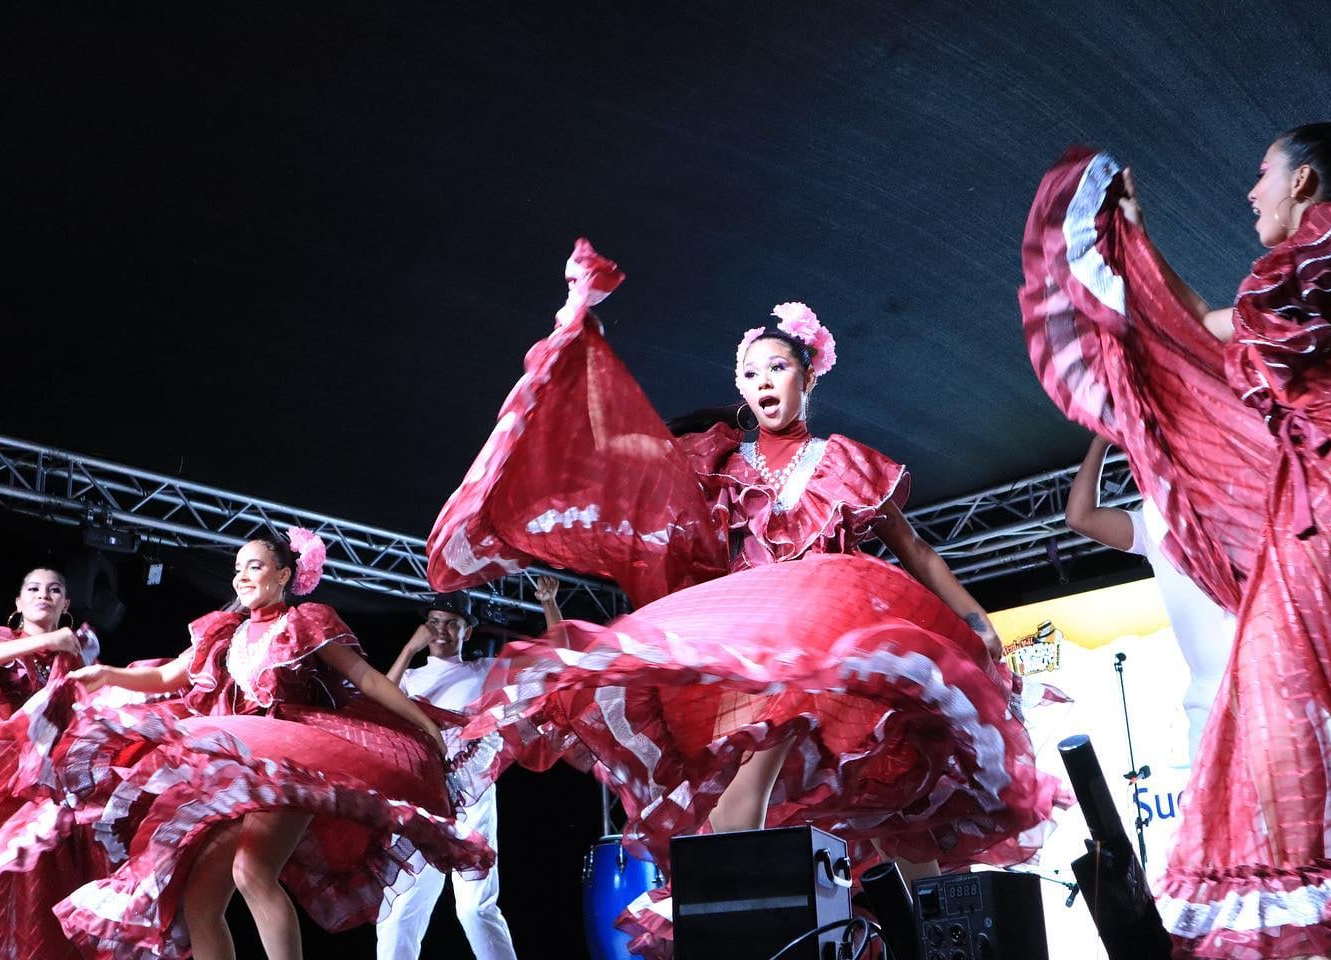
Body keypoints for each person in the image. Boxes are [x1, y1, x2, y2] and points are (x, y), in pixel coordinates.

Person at [427, 240, 1062, 954]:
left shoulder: (847, 462)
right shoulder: (719, 467)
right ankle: (749, 932)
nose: (764, 381)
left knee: (894, 818)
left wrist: (972, 617)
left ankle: (917, 940)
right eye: (750, 370)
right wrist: (577, 335)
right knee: (756, 804)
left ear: (807, 379)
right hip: (762, 653)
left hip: (840, 638)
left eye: (779, 367)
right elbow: (632, 476)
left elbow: (913, 549)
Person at [1020, 79, 1331, 957]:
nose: (1249, 191)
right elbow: (1197, 324)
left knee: (1291, 696)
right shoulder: (1297, 269)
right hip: (1328, 496)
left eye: (1262, 174)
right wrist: (1138, 243)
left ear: (1308, 183)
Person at [0, 530, 494, 960]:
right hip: (243, 762)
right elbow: (166, 676)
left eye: (255, 566)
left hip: (299, 759)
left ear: (284, 575)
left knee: (253, 871)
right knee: (199, 900)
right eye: (237, 568)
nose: (242, 576)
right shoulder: (225, 633)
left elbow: (367, 679)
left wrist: (423, 725)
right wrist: (104, 673)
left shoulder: (305, 622)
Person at [375, 584, 558, 960]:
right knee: (398, 912)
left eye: (450, 623)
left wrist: (549, 604)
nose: (440, 631)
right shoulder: (410, 678)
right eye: (433, 623)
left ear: (467, 631)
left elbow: (554, 662)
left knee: (475, 907)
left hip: (471, 798)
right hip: (421, 801)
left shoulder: (484, 672)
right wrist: (409, 648)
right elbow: (375, 704)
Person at [1065, 436, 1235, 763]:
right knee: (1220, 812)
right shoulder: (1152, 524)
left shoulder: (1231, 507)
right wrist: (1100, 441)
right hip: (1207, 701)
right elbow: (1079, 517)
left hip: (1264, 681)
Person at [0, 566, 93, 960]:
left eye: (55, 589)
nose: (44, 594)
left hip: (51, 788)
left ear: (66, 603)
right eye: (34, 588)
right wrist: (42, 643)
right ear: (19, 602)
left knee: (38, 890)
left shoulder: (77, 657)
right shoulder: (0, 640)